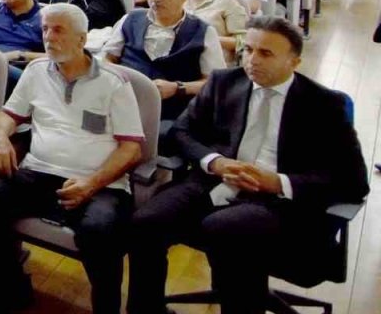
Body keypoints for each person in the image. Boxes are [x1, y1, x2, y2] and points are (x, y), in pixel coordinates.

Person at [126, 17, 369, 314]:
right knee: (145, 223)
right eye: (248, 50)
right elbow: (181, 131)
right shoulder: (224, 82)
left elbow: (354, 181)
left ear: (295, 61)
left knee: (225, 231)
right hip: (216, 180)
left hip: (280, 202)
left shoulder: (324, 105)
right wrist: (215, 162)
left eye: (266, 53)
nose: (252, 60)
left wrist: (278, 182)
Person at [0, 3, 144, 314]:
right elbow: (8, 115)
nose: (48, 37)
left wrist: (91, 184)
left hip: (99, 183)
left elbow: (132, 149)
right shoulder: (36, 72)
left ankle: (107, 308)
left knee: (100, 230)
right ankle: (8, 290)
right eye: (45, 30)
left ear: (82, 39)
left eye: (58, 30)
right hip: (39, 173)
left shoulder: (113, 82)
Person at [102, 0, 225, 144]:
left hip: (171, 110)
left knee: (161, 137)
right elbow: (108, 60)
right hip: (124, 102)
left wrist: (178, 87)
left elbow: (213, 83)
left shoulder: (203, 31)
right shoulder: (131, 19)